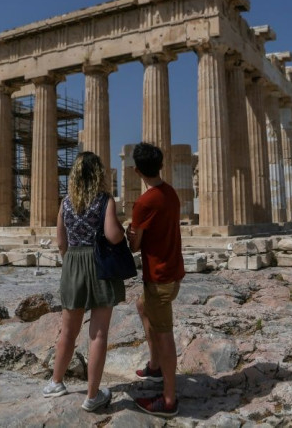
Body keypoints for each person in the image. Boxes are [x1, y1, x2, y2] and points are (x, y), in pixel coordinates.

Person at [42, 151, 126, 412]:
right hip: (99, 264)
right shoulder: (104, 201)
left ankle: (56, 382)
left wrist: (71, 262)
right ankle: (92, 396)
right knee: (98, 333)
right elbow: (112, 236)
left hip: (73, 264)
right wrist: (123, 231)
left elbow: (60, 242)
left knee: (68, 331)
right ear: (98, 175)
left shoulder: (65, 203)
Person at [125, 142, 185, 418]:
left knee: (165, 335)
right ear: (161, 165)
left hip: (159, 276)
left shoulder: (144, 202)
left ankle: (169, 399)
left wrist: (130, 234)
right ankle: (154, 365)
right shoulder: (171, 194)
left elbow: (135, 246)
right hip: (173, 272)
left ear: (136, 170)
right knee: (141, 305)